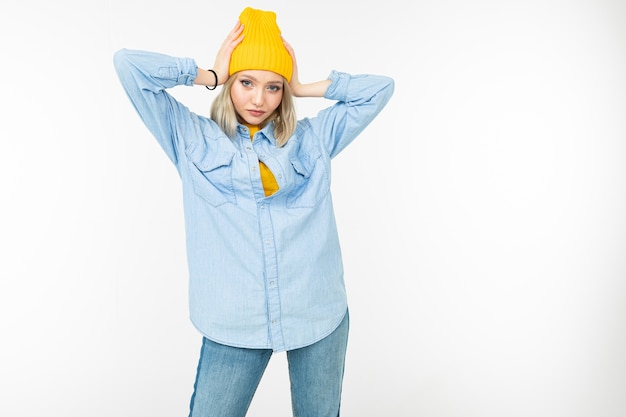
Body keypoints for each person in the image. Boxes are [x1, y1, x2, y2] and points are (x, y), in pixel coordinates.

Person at [113, 6, 394, 417]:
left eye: (273, 87)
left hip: (317, 312)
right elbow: (128, 65)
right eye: (246, 82)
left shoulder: (312, 139)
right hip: (234, 322)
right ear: (231, 83)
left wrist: (302, 85)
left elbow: (380, 89)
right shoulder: (190, 138)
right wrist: (209, 75)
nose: (259, 99)